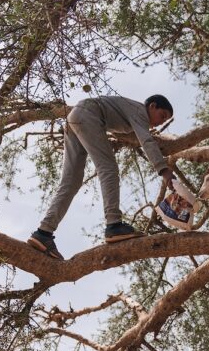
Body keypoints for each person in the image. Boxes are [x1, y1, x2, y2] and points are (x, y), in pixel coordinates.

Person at [27, 94, 175, 258]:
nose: (161, 122)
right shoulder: (140, 111)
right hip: (88, 114)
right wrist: (163, 169)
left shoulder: (132, 112)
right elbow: (146, 141)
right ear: (152, 106)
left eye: (165, 121)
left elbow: (133, 132)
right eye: (162, 116)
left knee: (71, 181)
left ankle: (43, 233)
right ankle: (114, 225)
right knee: (108, 168)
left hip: (75, 117)